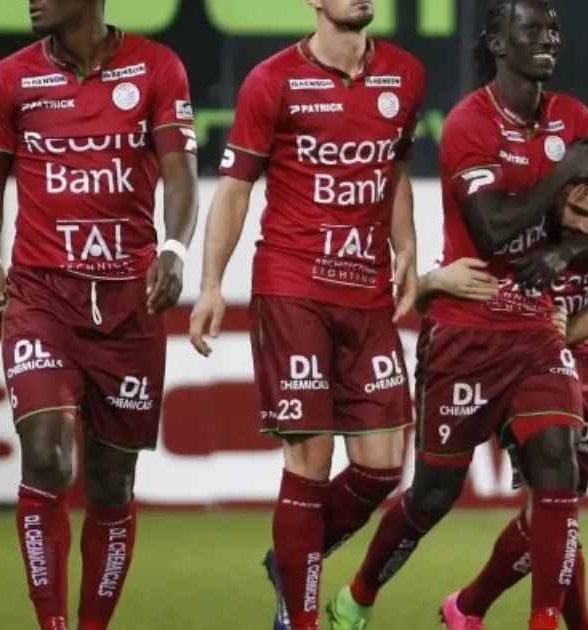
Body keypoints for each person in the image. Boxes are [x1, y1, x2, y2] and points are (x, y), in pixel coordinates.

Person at [322, 2, 588, 628]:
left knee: (557, 468)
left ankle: (543, 620)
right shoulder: (470, 121)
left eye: (553, 30)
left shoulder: (575, 118)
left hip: (536, 332)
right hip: (466, 331)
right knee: (433, 495)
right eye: (531, 30)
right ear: (496, 42)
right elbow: (491, 229)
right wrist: (563, 174)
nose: (548, 40)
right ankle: (357, 595)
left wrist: (567, 251)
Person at [0, 0, 199, 627]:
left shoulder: (158, 67)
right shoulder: (9, 79)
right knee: (47, 456)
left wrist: (173, 250)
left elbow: (181, 174)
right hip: (42, 300)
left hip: (129, 306)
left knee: (112, 483)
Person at [187, 1, 425, 629]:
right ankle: (301, 617)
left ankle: (293, 560)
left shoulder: (405, 74)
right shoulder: (271, 81)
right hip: (294, 289)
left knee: (382, 467)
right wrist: (210, 285)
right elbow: (235, 188)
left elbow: (396, 170)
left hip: (368, 293)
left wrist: (406, 246)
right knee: (310, 461)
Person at [435, 172, 588, 630]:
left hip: (579, 359)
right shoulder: (525, 213)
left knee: (558, 510)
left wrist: (567, 332)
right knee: (556, 500)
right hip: (524, 360)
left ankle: (467, 607)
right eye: (580, 211)